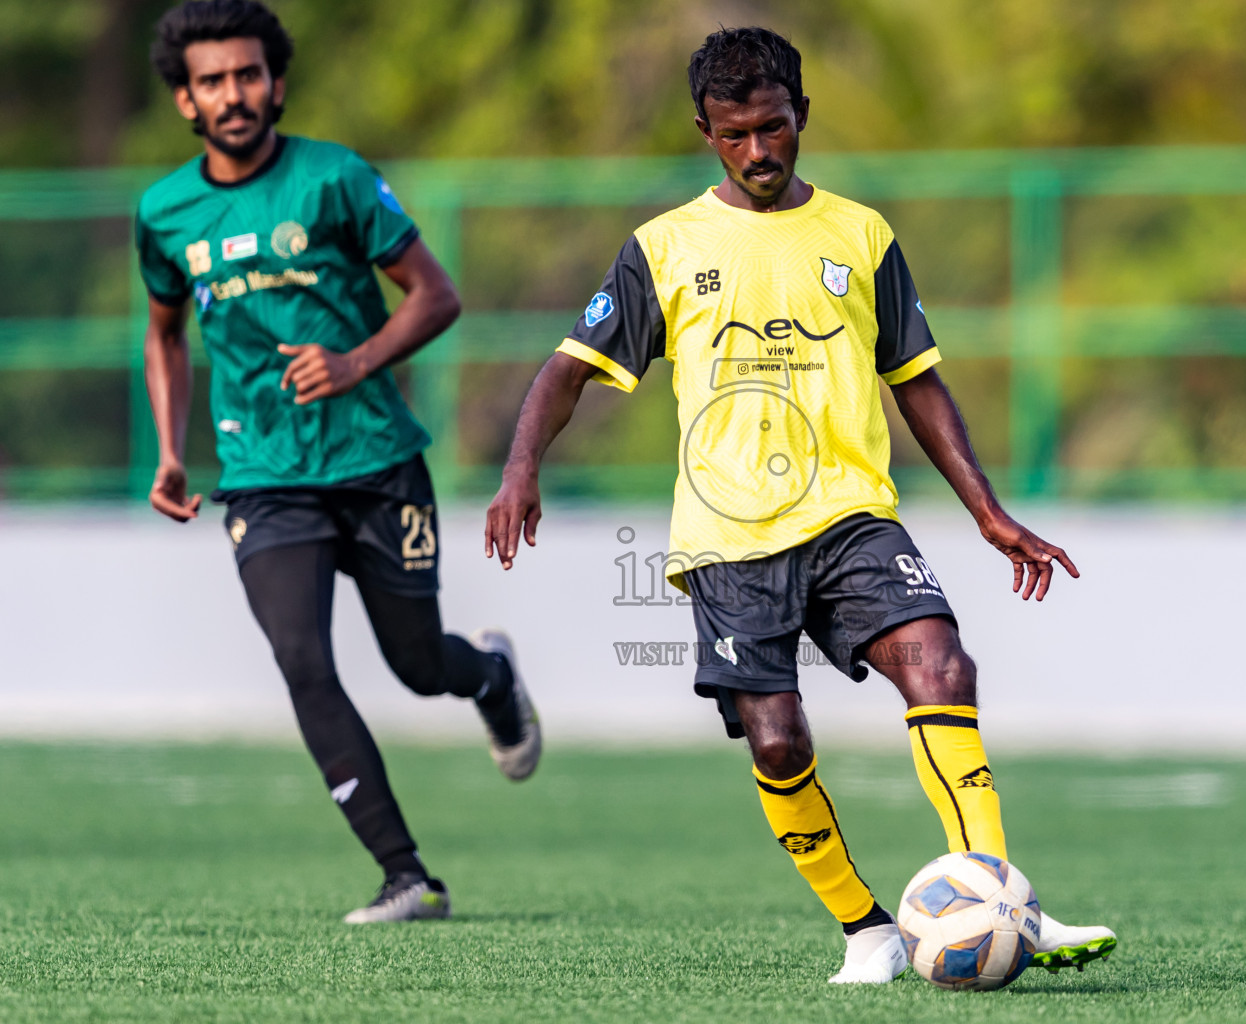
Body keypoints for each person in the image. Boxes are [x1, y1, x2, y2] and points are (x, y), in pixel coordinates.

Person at [485, 27, 1115, 984]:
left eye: (774, 129)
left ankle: (1002, 898)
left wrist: (988, 512)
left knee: (940, 663)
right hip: (727, 541)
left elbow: (917, 382)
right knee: (778, 740)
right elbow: (568, 372)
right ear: (706, 132)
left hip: (851, 515)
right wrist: (519, 468)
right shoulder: (664, 248)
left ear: (802, 116)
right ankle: (868, 930)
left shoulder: (861, 237)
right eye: (735, 136)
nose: (759, 152)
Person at [136, 0, 540, 923]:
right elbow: (164, 335)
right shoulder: (162, 212)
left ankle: (490, 680)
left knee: (416, 666)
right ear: (184, 101)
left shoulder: (336, 179)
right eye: (211, 81)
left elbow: (436, 297)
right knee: (301, 660)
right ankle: (408, 876)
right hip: (262, 477)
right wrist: (168, 450)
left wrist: (355, 361)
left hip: (375, 462)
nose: (232, 94)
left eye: (247, 74)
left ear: (275, 82)